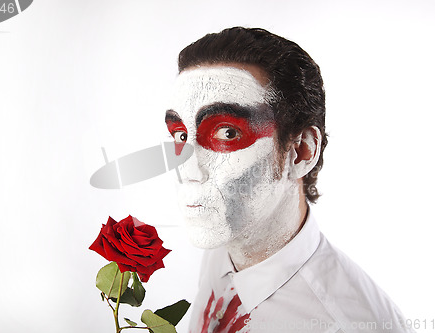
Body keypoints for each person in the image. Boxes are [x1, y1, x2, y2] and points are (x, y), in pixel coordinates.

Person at [165, 27, 412, 333]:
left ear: (301, 152)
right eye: (180, 134)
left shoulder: (349, 324)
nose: (188, 170)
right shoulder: (225, 238)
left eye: (227, 132)